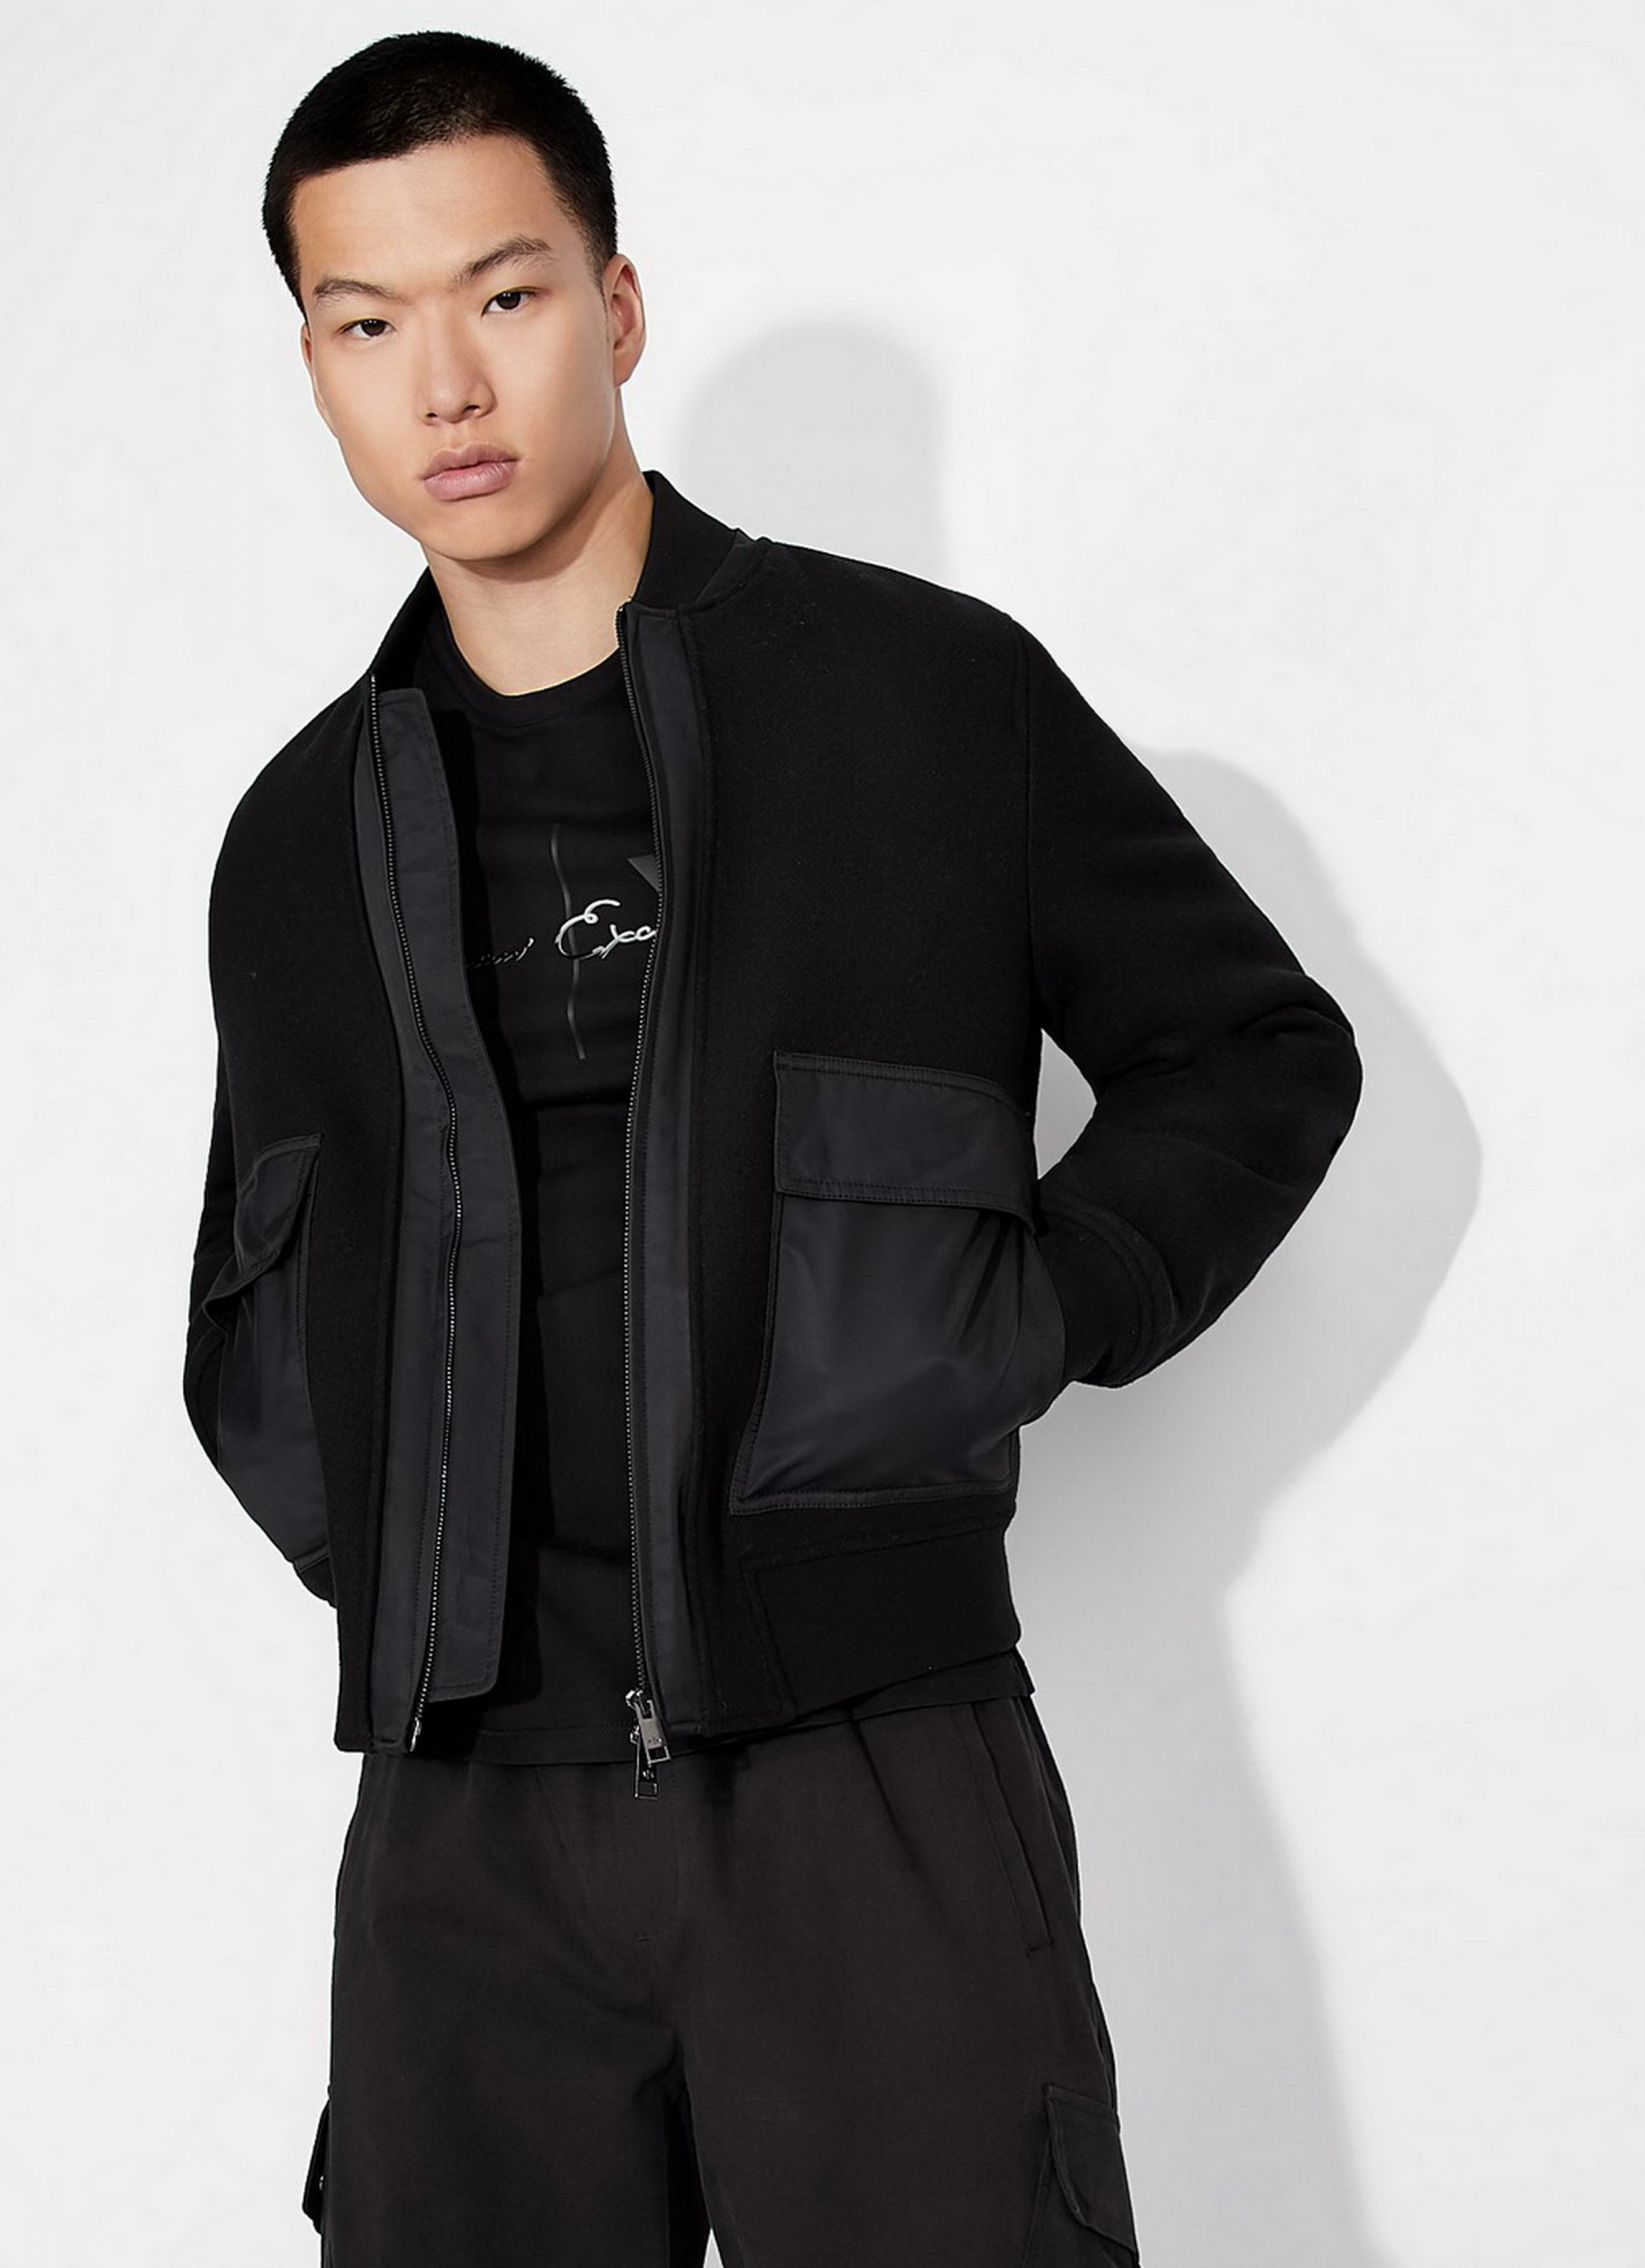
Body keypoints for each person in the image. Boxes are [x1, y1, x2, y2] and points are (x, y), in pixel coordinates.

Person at [181, 29, 1364, 2266]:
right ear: (315, 370)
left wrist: (1022, 1311)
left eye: (505, 294)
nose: (448, 383)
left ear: (616, 307)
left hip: (866, 1771)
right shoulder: (295, 838)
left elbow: (1249, 1048)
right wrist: (397, 1561)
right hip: (459, 1829)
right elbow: (254, 1298)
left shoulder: (923, 700)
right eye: (368, 324)